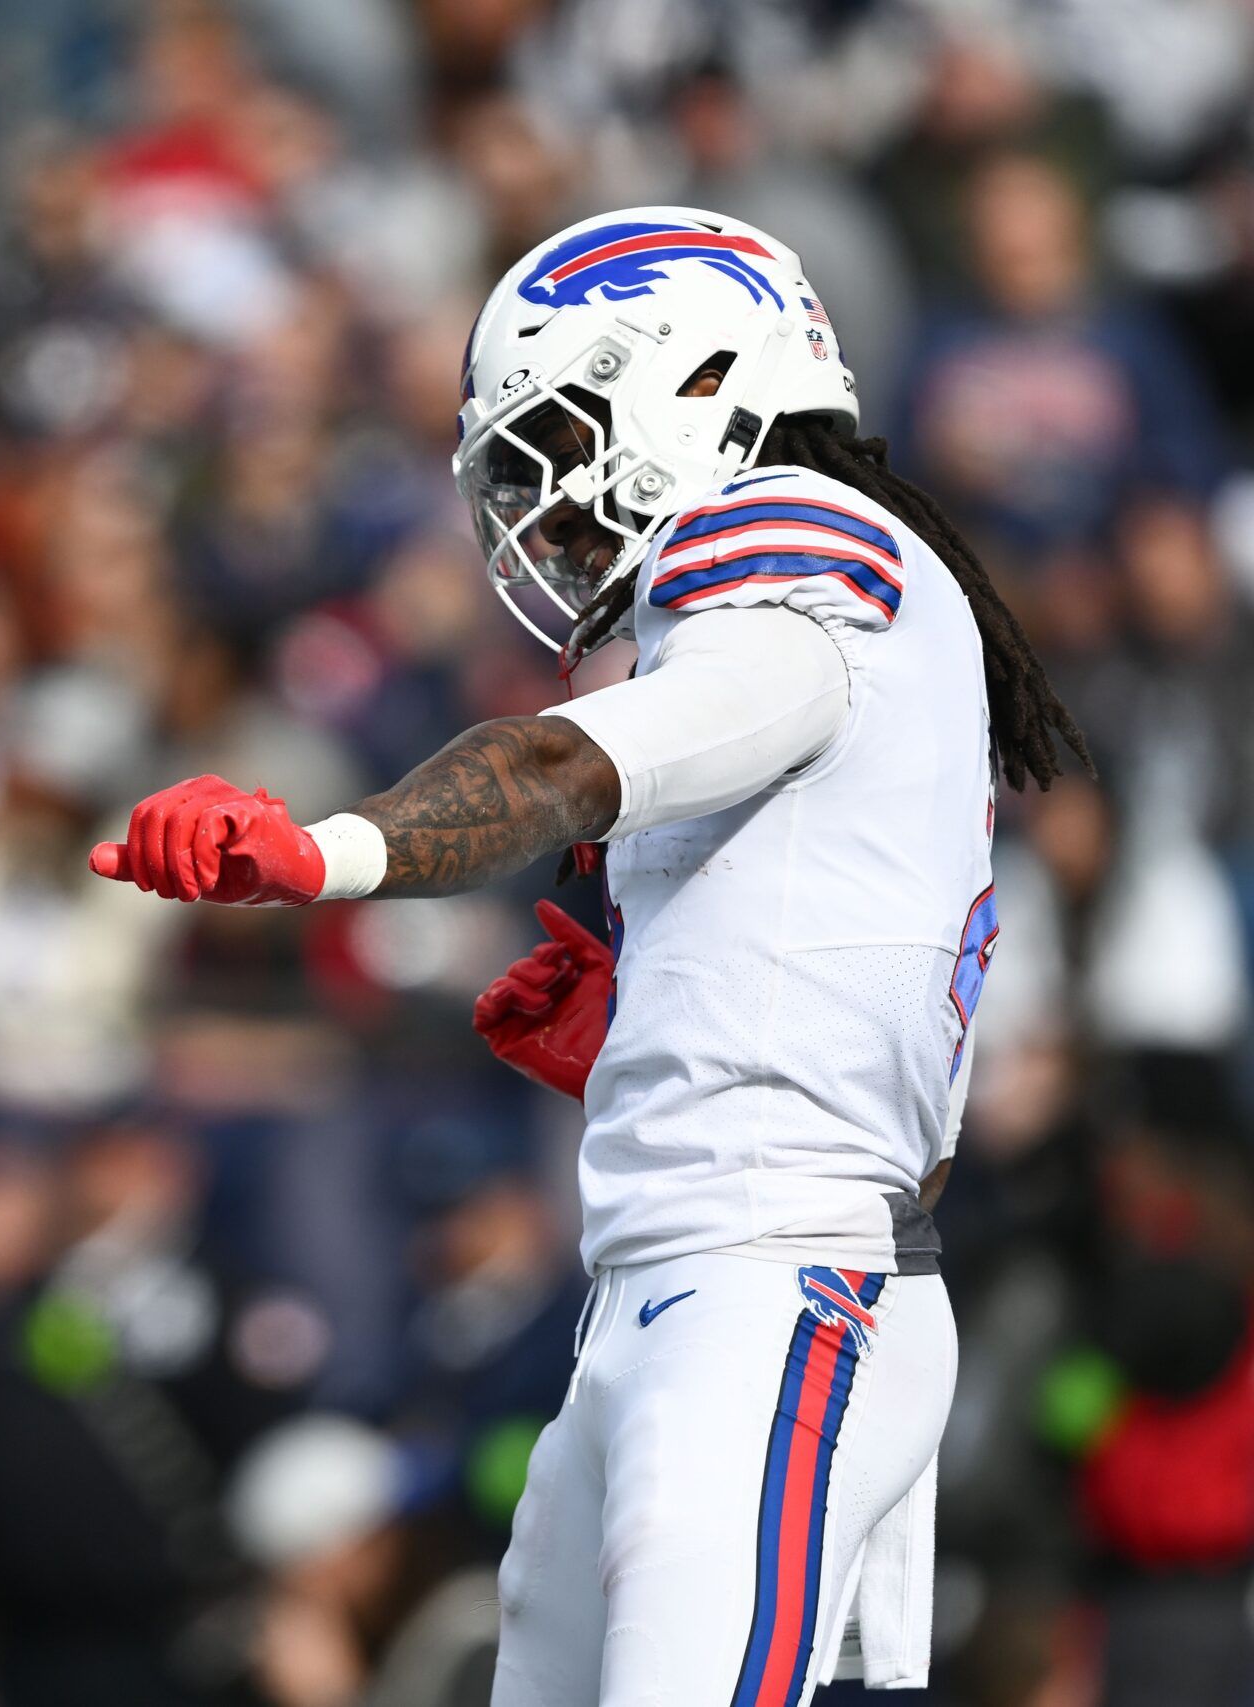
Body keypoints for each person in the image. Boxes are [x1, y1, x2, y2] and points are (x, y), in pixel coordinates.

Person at [89, 208, 1092, 1707]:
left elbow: (569, 765)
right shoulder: (817, 601)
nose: (544, 509)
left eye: (559, 431)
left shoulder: (794, 531)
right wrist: (659, 1018)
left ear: (694, 381)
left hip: (778, 1270)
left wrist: (328, 848)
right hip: (680, 1273)